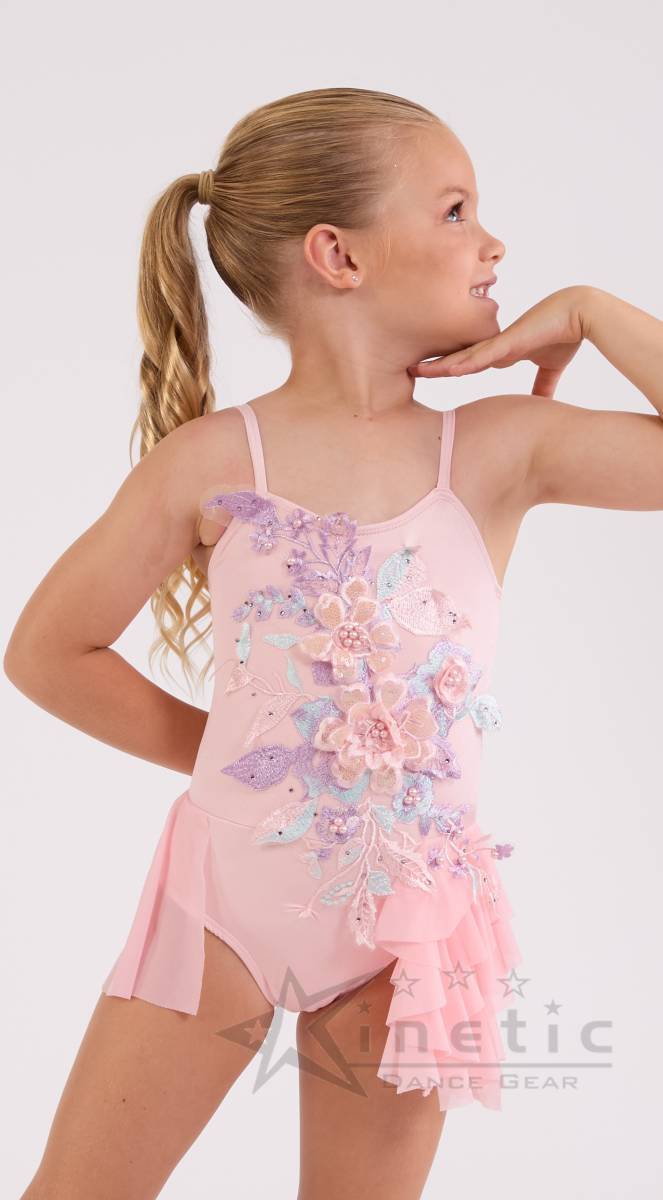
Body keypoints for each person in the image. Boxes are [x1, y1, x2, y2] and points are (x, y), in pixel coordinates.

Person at [5, 85, 663, 1200]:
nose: (493, 243)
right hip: (219, 908)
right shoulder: (212, 461)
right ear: (338, 255)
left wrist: (594, 313)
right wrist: (240, 764)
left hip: (411, 936)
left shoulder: (498, 449)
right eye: (454, 210)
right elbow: (48, 652)